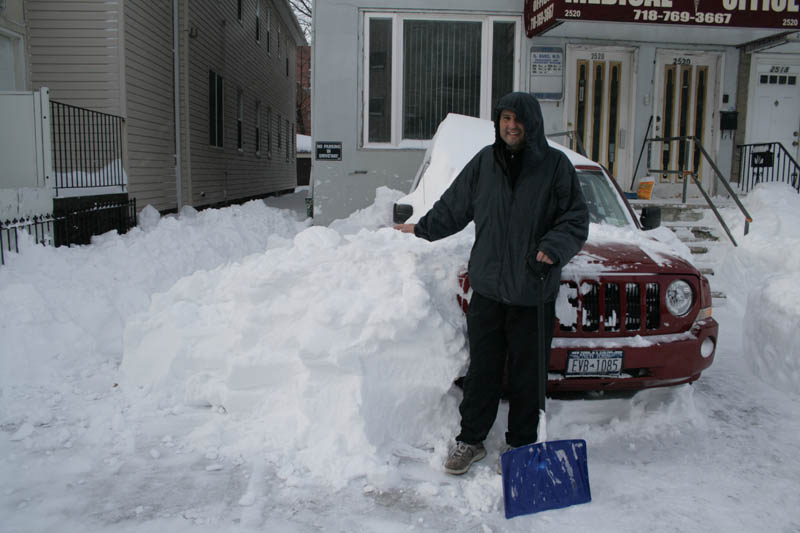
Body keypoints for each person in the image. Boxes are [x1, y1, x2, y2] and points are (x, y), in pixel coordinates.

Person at [394, 92, 589, 475]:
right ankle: (470, 440)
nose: (511, 126)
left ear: (531, 123)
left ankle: (521, 444)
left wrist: (553, 246)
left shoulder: (555, 167)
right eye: (505, 118)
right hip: (488, 288)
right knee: (482, 370)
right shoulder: (485, 162)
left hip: (533, 290)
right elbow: (455, 205)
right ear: (498, 122)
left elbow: (575, 219)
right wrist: (422, 229)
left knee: (527, 375)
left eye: (518, 119)